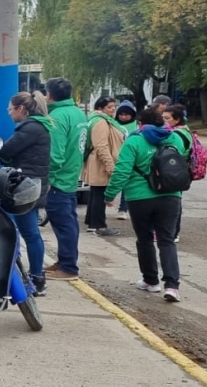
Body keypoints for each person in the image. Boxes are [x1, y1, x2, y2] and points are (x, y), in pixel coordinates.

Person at [104, 108, 190, 302]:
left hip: (139, 197)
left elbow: (122, 170)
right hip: (170, 195)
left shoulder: (134, 140)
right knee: (167, 240)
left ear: (140, 124)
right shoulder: (174, 138)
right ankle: (172, 286)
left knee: (144, 239)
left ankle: (151, 281)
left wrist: (110, 194)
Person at [1, 92, 52, 294]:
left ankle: (36, 278)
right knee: (30, 234)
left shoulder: (30, 129)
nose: (9, 112)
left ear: (21, 108)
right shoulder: (39, 127)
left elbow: (6, 151)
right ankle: (35, 276)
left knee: (29, 234)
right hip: (34, 184)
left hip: (26, 187)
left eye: (11, 109)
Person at [42, 77, 89, 281]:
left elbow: (55, 155)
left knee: (63, 224)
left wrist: (48, 178)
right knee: (69, 222)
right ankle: (64, 261)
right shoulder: (79, 114)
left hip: (58, 180)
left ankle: (69, 267)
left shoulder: (57, 118)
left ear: (49, 95)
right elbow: (86, 146)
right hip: (71, 175)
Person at [84, 96, 125, 237]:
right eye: (109, 107)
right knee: (100, 194)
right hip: (100, 162)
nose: (113, 109)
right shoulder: (100, 122)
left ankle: (92, 222)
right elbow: (101, 145)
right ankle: (99, 226)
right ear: (100, 108)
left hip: (98, 161)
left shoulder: (100, 120)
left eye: (114, 106)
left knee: (96, 193)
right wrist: (109, 164)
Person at [162, 104, 192, 243]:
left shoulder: (177, 134)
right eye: (162, 117)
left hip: (175, 170)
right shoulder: (185, 131)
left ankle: (173, 232)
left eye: (167, 118)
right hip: (181, 170)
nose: (164, 120)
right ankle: (173, 232)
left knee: (174, 201)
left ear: (177, 119)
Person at [114, 100, 139, 221]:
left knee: (126, 185)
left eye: (126, 114)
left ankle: (123, 208)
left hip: (129, 158)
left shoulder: (137, 125)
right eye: (121, 114)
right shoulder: (113, 123)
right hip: (114, 157)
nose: (123, 117)